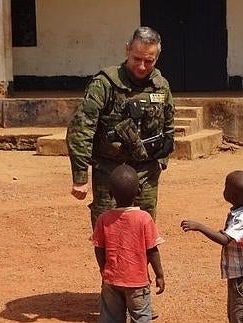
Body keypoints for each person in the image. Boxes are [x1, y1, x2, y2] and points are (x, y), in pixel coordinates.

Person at [66, 26, 175, 229]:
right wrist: (80, 177)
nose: (142, 66)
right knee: (107, 233)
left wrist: (162, 158)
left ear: (157, 58)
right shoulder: (104, 84)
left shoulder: (161, 85)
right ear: (127, 50)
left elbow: (168, 125)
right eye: (137, 58)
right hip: (110, 172)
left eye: (149, 61)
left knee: (144, 231)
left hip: (146, 172)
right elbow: (81, 130)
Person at [181, 170, 243, 323]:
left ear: (234, 196)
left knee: (240, 318)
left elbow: (225, 240)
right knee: (237, 316)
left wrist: (199, 226)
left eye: (226, 186)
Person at [92, 164, 165, 323]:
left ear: (110, 193)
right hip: (138, 282)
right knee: (140, 318)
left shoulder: (103, 219)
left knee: (110, 318)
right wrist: (159, 275)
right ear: (139, 191)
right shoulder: (144, 218)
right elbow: (152, 250)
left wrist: (103, 268)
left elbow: (99, 248)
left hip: (111, 280)